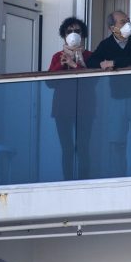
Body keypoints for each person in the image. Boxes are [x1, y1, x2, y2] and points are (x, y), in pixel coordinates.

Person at [87, 11, 131, 176]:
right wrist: (103, 64)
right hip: (117, 97)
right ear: (112, 27)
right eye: (123, 21)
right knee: (117, 141)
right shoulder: (106, 44)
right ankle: (120, 176)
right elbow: (91, 62)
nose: (127, 24)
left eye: (128, 20)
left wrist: (115, 63)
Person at [47, 17, 93, 180]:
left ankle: (84, 181)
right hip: (62, 109)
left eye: (77, 31)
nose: (73, 34)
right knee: (67, 148)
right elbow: (49, 82)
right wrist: (62, 63)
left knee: (83, 147)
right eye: (69, 31)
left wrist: (75, 64)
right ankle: (68, 181)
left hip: (85, 108)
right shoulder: (57, 56)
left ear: (83, 34)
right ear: (64, 35)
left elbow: (93, 80)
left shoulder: (89, 56)